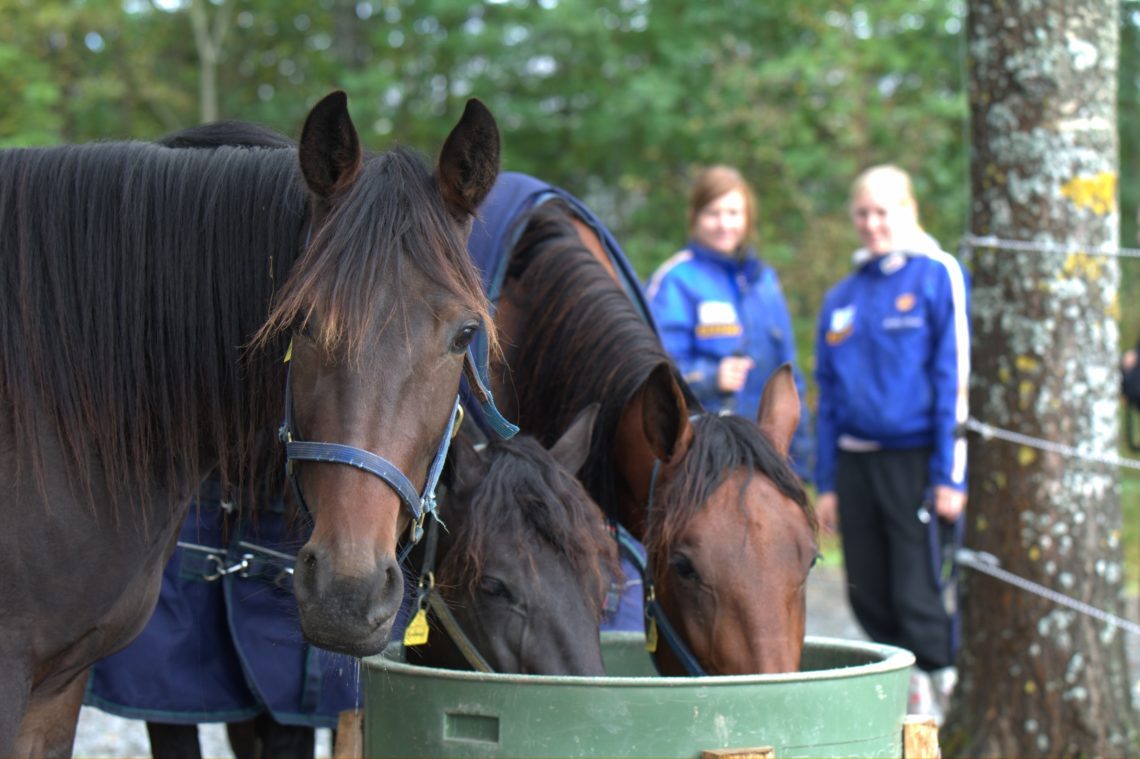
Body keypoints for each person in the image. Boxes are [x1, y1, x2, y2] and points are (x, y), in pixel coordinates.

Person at [814, 164, 970, 724]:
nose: (873, 223)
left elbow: (955, 377)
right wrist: (826, 481)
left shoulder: (937, 275)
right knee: (868, 593)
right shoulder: (842, 296)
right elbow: (827, 396)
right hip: (855, 467)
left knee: (918, 592)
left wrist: (951, 474)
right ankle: (909, 698)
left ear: (909, 211)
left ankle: (947, 698)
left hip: (916, 463)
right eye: (863, 212)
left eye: (884, 211)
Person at [645, 165, 814, 481]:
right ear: (694, 217)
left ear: (748, 217)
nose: (724, 224)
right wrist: (710, 377)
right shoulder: (676, 281)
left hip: (765, 451)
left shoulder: (764, 282)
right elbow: (653, 373)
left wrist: (800, 459)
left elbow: (790, 375)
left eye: (734, 213)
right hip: (704, 454)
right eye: (713, 213)